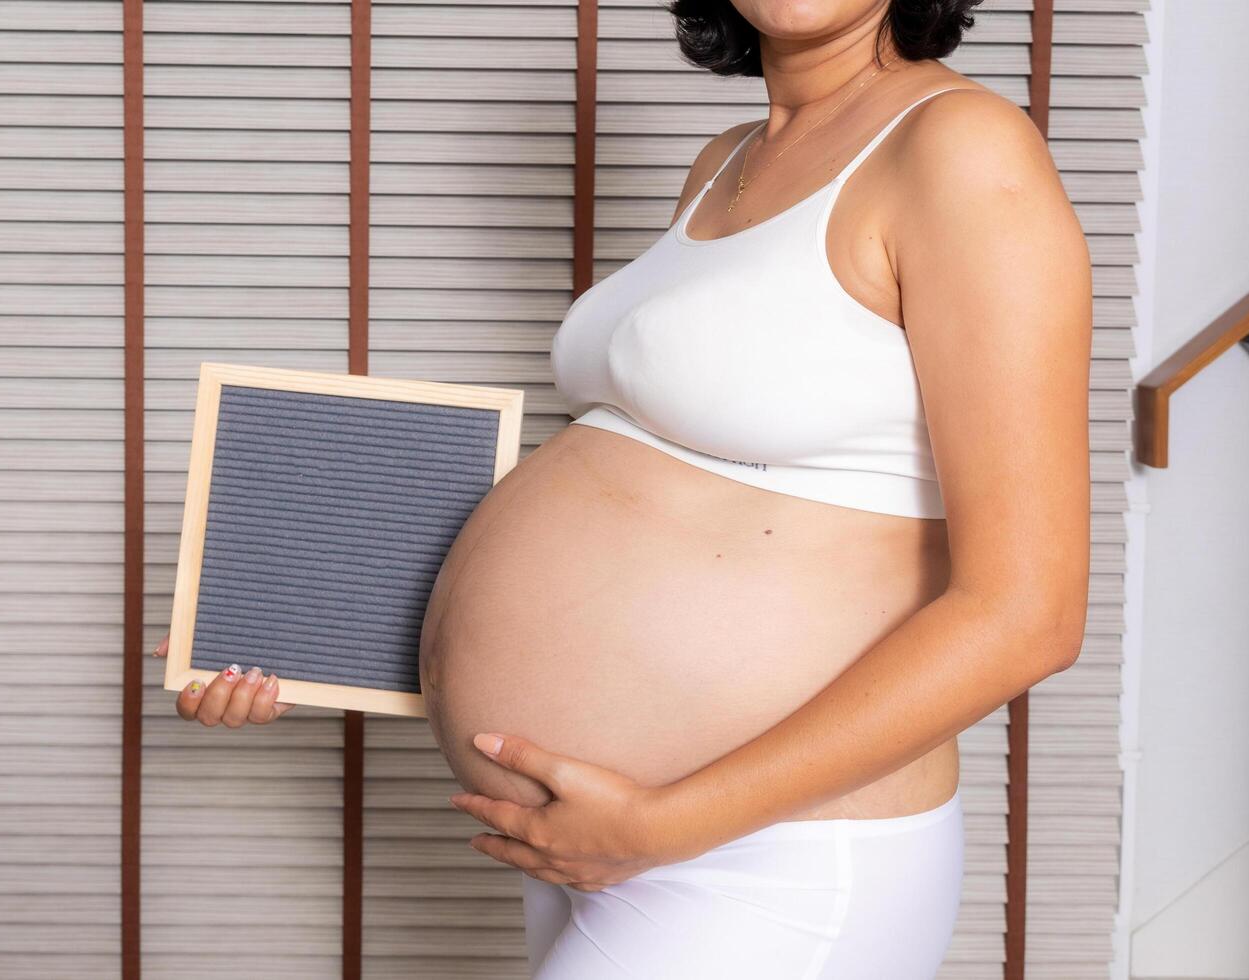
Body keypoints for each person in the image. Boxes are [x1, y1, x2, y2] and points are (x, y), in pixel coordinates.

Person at [152, 0, 1091, 974]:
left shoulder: (959, 146)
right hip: (598, 838)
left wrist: (664, 821)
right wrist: (280, 621)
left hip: (766, 856)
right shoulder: (727, 161)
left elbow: (1027, 611)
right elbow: (661, 479)